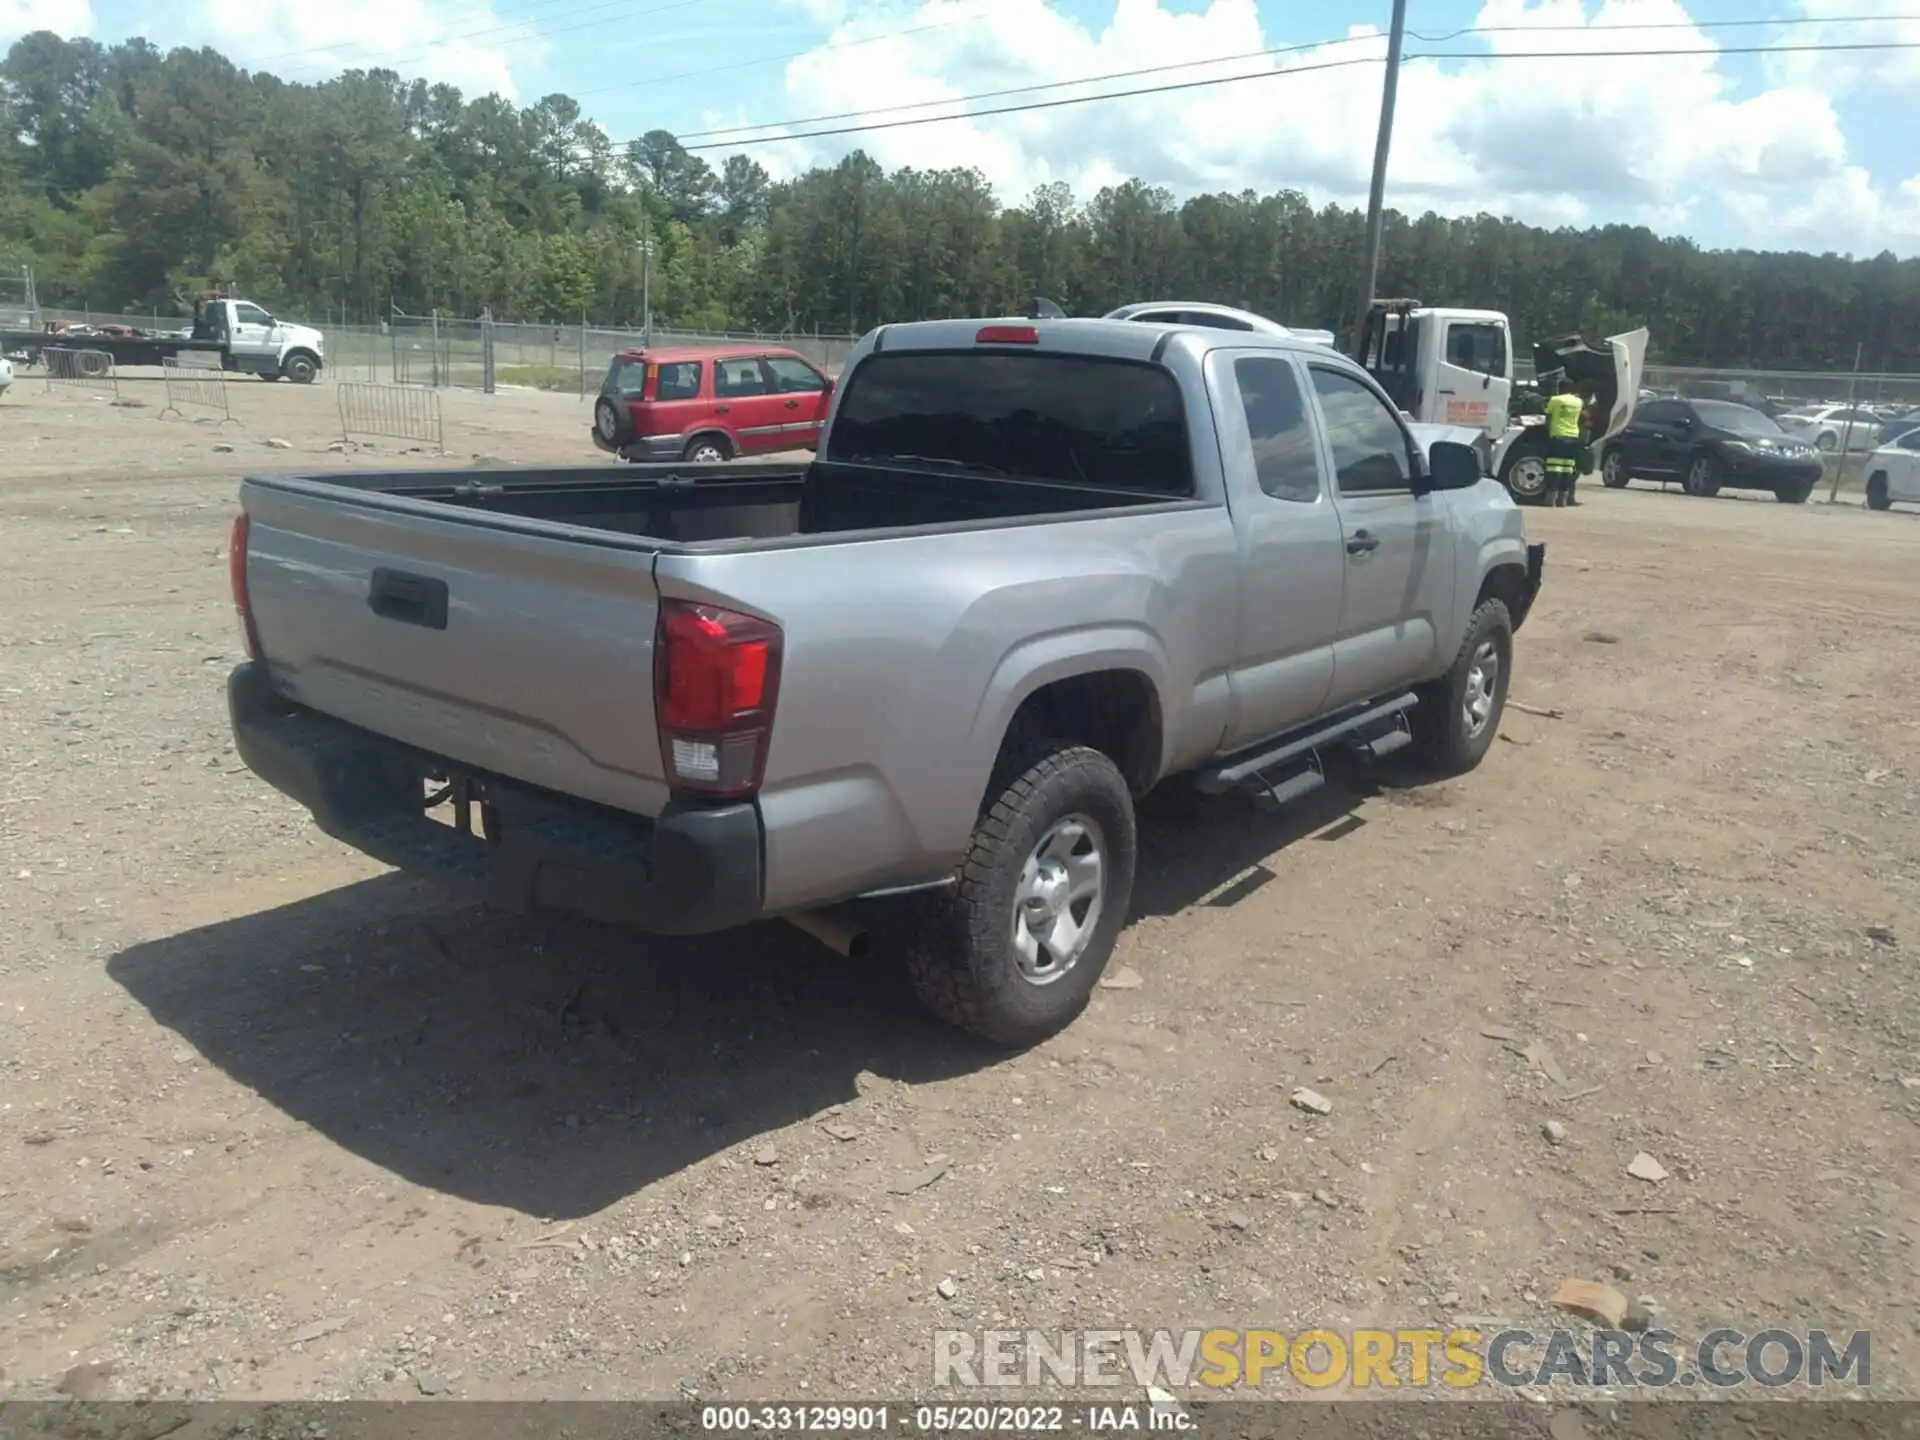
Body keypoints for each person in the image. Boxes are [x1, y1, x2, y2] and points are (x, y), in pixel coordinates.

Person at [1543, 378, 1586, 507]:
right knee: (1568, 469)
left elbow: (1547, 414)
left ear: (1559, 389)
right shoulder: (1579, 402)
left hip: (1558, 436)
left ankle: (1550, 498)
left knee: (1553, 468)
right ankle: (1563, 499)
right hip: (1573, 437)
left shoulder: (1556, 400)